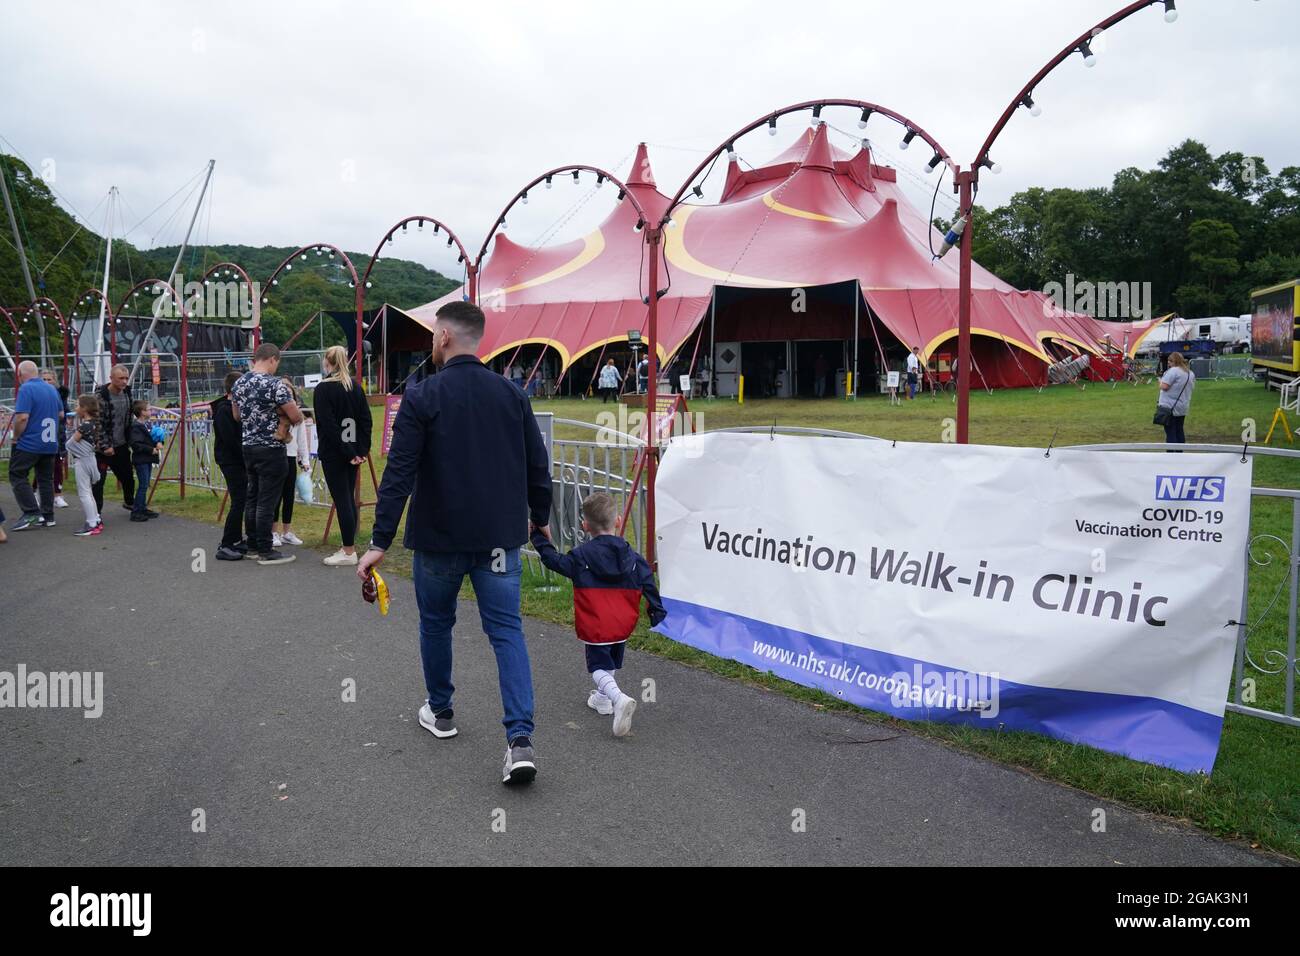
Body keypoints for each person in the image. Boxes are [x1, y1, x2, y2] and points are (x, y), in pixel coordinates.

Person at [358, 301, 552, 786]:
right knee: (506, 632)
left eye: (431, 334)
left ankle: (441, 711)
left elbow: (399, 473)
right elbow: (537, 465)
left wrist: (380, 541)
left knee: (437, 623)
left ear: (444, 336)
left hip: (439, 539)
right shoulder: (513, 395)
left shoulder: (422, 397)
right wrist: (541, 518)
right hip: (498, 541)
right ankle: (520, 740)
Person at [529, 492, 666, 737]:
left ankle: (618, 698)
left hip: (596, 620)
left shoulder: (581, 558)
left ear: (585, 526)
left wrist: (537, 538)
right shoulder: (634, 558)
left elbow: (553, 560)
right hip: (624, 620)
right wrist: (656, 611)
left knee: (598, 668)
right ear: (618, 521)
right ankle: (602, 700)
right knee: (610, 661)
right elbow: (649, 583)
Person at [231, 343, 303, 565]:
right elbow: (297, 416)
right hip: (271, 448)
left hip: (248, 447)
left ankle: (252, 545)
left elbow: (236, 416)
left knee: (252, 498)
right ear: (272, 359)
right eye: (277, 363)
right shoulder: (276, 386)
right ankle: (266, 550)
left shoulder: (238, 383)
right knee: (267, 501)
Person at [312, 344, 372, 567]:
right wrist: (360, 450)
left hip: (336, 452)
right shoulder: (354, 387)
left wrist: (350, 452)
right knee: (347, 498)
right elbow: (366, 420)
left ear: (328, 363)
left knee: (343, 500)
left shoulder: (324, 389)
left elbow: (328, 425)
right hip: (352, 451)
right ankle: (349, 546)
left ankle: (348, 551)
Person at [8, 361, 63, 531]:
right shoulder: (52, 389)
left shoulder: (26, 389)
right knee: (45, 479)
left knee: (17, 474)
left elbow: (22, 418)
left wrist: (16, 437)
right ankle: (48, 515)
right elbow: (61, 414)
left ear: (20, 375)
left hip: (31, 442)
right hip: (50, 443)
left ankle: (31, 512)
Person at [212, 372, 251, 561]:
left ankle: (235, 538)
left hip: (237, 460)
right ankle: (226, 543)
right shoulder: (224, 410)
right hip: (231, 461)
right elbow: (231, 440)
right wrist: (246, 458)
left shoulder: (234, 408)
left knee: (242, 500)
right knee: (239, 500)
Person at [93, 364, 137, 515]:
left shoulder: (127, 394)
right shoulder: (100, 397)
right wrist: (105, 445)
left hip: (122, 445)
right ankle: (96, 513)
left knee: (128, 478)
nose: (124, 382)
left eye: (126, 378)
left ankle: (130, 502)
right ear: (111, 378)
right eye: (121, 379)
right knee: (99, 482)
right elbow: (97, 423)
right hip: (102, 449)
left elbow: (130, 418)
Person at [272, 376, 308, 548]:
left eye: (289, 393)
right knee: (275, 496)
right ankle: (273, 532)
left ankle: (287, 531)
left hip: (292, 457)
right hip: (276, 457)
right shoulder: (273, 414)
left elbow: (302, 440)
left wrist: (305, 459)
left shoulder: (297, 416)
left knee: (289, 496)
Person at [67, 393, 104, 536]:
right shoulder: (95, 424)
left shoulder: (85, 426)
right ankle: (96, 519)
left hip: (82, 461)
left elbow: (71, 442)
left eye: (77, 405)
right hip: (91, 459)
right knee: (89, 492)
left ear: (85, 408)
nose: (75, 408)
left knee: (84, 493)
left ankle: (91, 523)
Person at [40, 370, 71, 509]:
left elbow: (64, 413)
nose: (47, 382)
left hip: (57, 434)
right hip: (41, 434)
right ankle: (35, 492)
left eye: (49, 380)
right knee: (42, 465)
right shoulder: (37, 395)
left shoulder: (60, 396)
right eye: (44, 380)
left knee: (57, 465)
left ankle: (58, 494)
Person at [127, 400, 162, 521]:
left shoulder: (146, 425)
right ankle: (136, 511)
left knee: (145, 484)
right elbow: (136, 444)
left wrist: (158, 442)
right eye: (148, 409)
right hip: (141, 459)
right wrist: (150, 450)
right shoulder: (136, 427)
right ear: (142, 412)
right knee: (143, 485)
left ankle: (142, 508)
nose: (151, 411)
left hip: (147, 459)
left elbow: (150, 439)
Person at [1157, 351, 1195, 446]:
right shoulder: (1190, 373)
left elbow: (1165, 386)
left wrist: (1160, 382)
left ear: (1175, 361)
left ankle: (1172, 455)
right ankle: (1180, 452)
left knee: (1170, 432)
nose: (1168, 363)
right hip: (1182, 406)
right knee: (1179, 430)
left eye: (1170, 361)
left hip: (1170, 406)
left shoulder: (1173, 371)